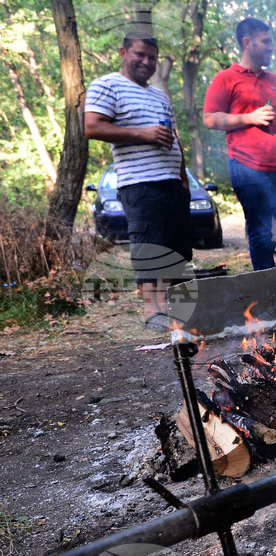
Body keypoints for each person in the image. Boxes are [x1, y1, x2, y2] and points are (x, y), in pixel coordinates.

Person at [84, 30, 192, 332]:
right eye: (140, 55)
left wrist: (183, 180)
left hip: (172, 184)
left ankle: (169, 309)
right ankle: (151, 311)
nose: (146, 62)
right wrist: (143, 134)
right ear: (123, 53)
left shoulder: (160, 95)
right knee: (150, 246)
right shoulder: (107, 85)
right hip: (140, 184)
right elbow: (92, 127)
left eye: (152, 57)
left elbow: (175, 140)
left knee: (175, 248)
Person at [203, 17, 276, 271]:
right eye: (266, 42)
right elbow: (209, 119)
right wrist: (249, 118)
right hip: (246, 167)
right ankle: (267, 286)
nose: (271, 47)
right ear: (247, 42)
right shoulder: (225, 78)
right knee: (261, 233)